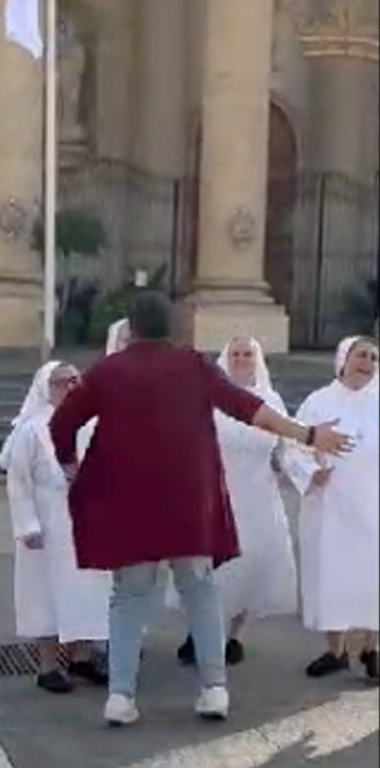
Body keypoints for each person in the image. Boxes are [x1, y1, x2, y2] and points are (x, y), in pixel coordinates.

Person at [48, 292, 352, 726]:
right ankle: (214, 689)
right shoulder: (192, 366)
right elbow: (249, 408)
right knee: (202, 591)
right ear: (170, 327)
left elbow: (62, 424)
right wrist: (306, 434)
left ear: (131, 328)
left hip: (128, 502)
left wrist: (72, 468)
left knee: (129, 596)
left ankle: (121, 695)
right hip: (188, 500)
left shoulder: (108, 372)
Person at [164, 336, 298, 666]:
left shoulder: (272, 400)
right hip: (214, 492)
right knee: (208, 566)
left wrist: (303, 472)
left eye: (247, 354)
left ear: (257, 359)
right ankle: (201, 632)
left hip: (258, 495)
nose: (241, 359)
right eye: (235, 354)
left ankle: (234, 634)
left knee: (249, 565)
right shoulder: (210, 398)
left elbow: (287, 448)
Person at [0, 360, 109, 693]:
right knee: (45, 594)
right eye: (62, 382)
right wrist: (27, 525)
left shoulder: (95, 423)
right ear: (46, 387)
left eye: (75, 381)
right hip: (48, 526)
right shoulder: (31, 430)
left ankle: (82, 657)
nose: (70, 387)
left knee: (89, 592)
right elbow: (18, 482)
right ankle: (48, 666)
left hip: (89, 522)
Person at [287, 335, 378, 682]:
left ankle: (373, 649)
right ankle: (335, 651)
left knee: (373, 579)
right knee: (331, 577)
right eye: (361, 355)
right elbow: (292, 445)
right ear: (344, 358)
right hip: (330, 507)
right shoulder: (318, 401)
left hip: (374, 506)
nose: (367, 362)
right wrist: (311, 473)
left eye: (373, 357)